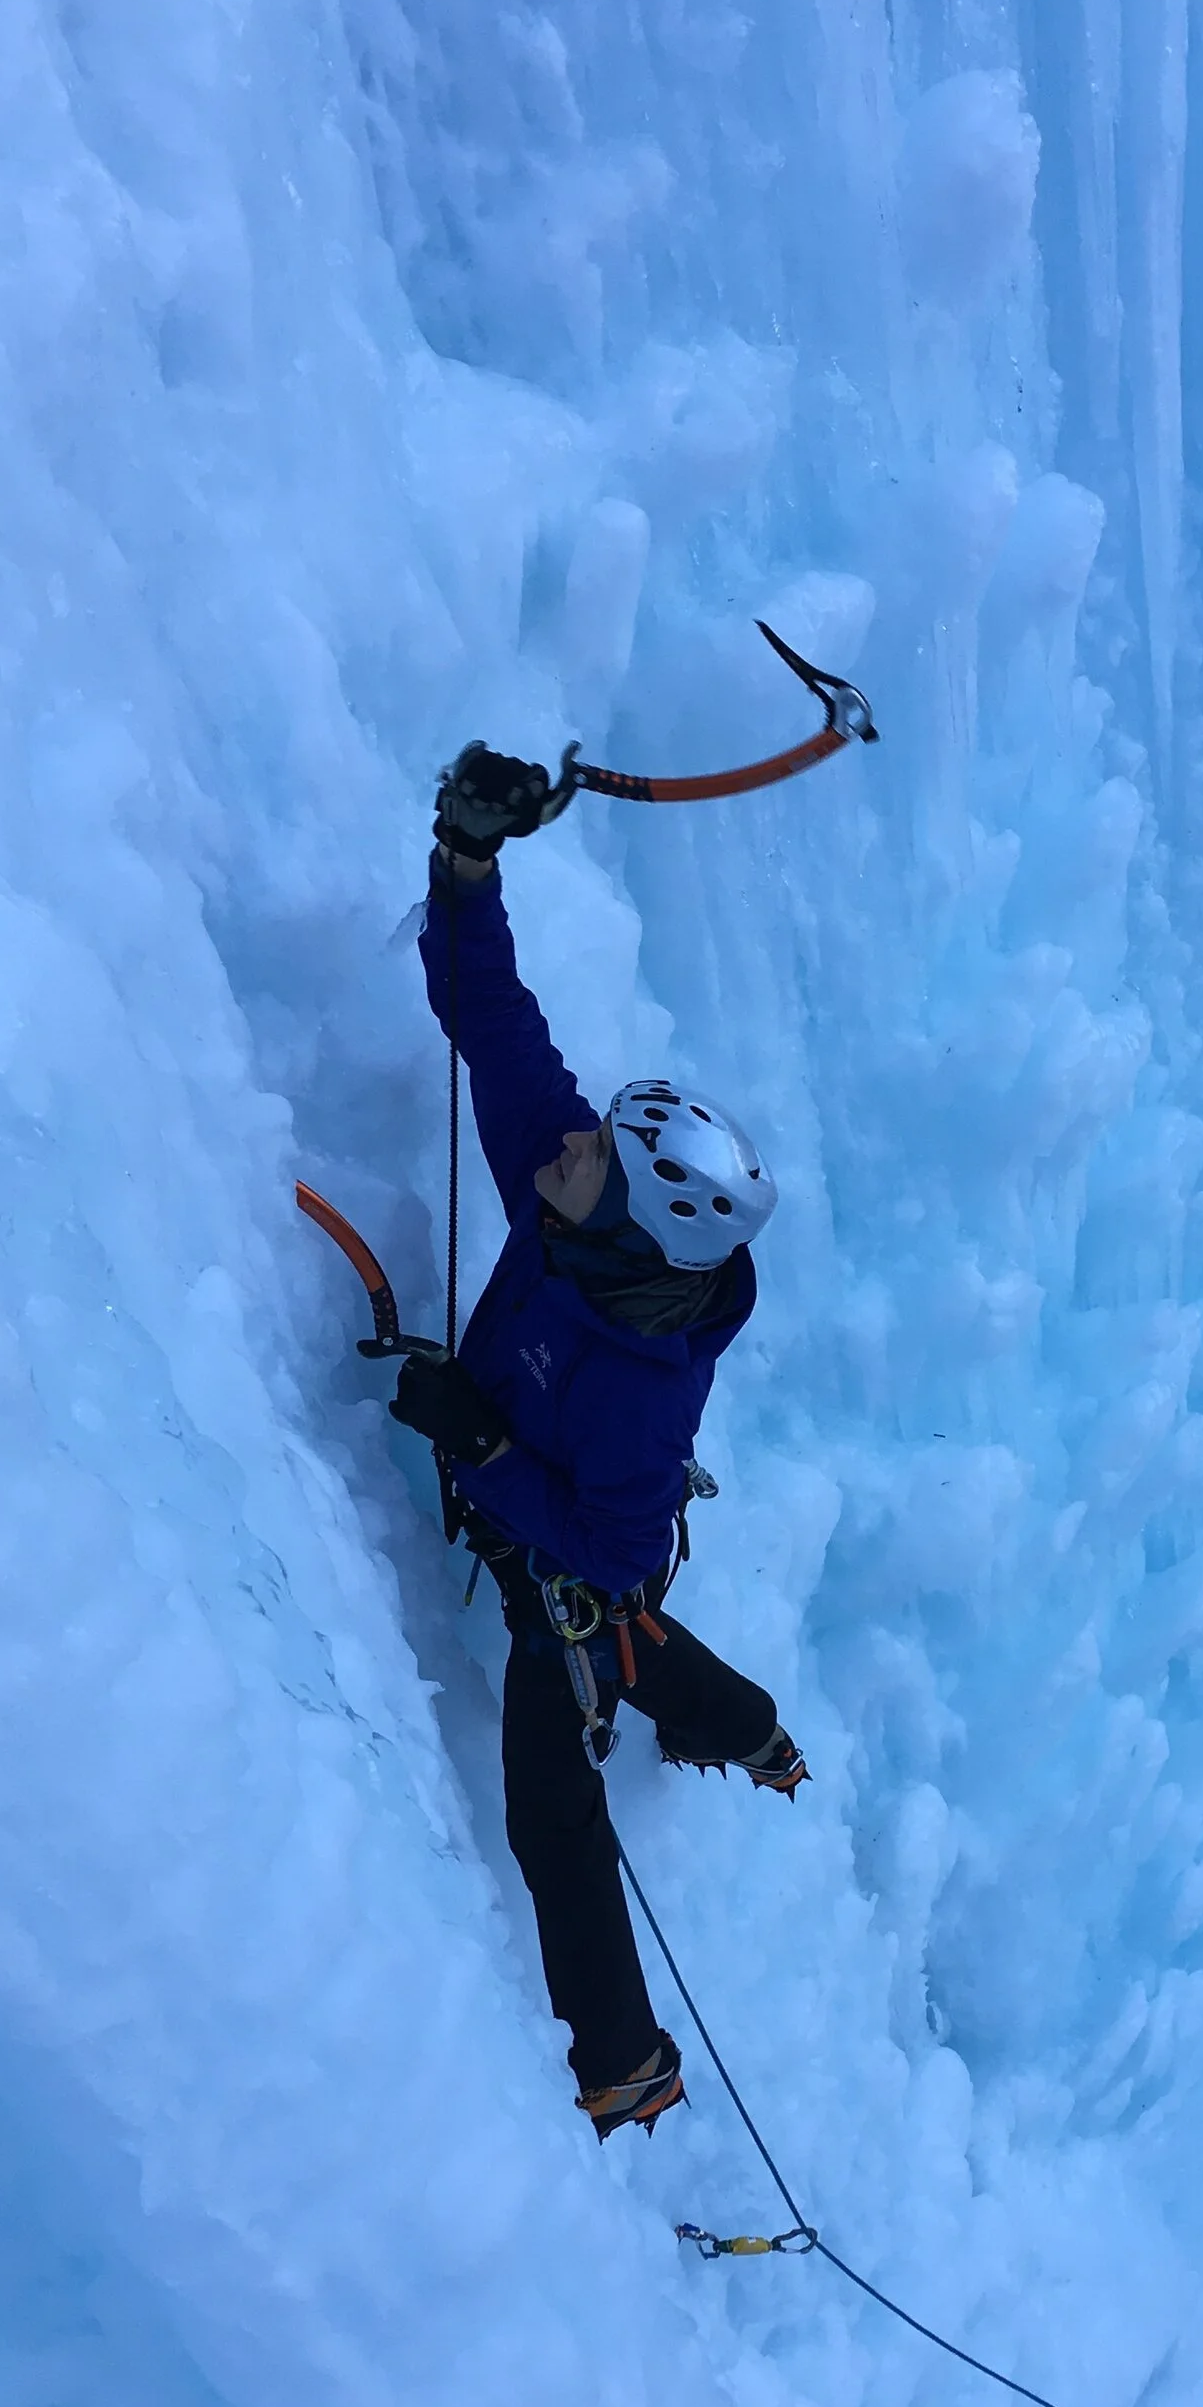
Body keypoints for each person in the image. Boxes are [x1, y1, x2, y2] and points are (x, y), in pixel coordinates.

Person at [394, 745, 807, 2139]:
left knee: (558, 1803)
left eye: (594, 1157)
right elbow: (493, 1021)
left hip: (572, 1556)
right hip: (548, 1512)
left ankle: (628, 2063)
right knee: (630, 1661)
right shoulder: (576, 1213)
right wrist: (467, 860)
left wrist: (483, 1451)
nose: (568, 1141)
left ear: (633, 1221)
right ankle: (752, 1731)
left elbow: (621, 1546)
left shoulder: (643, 1389)